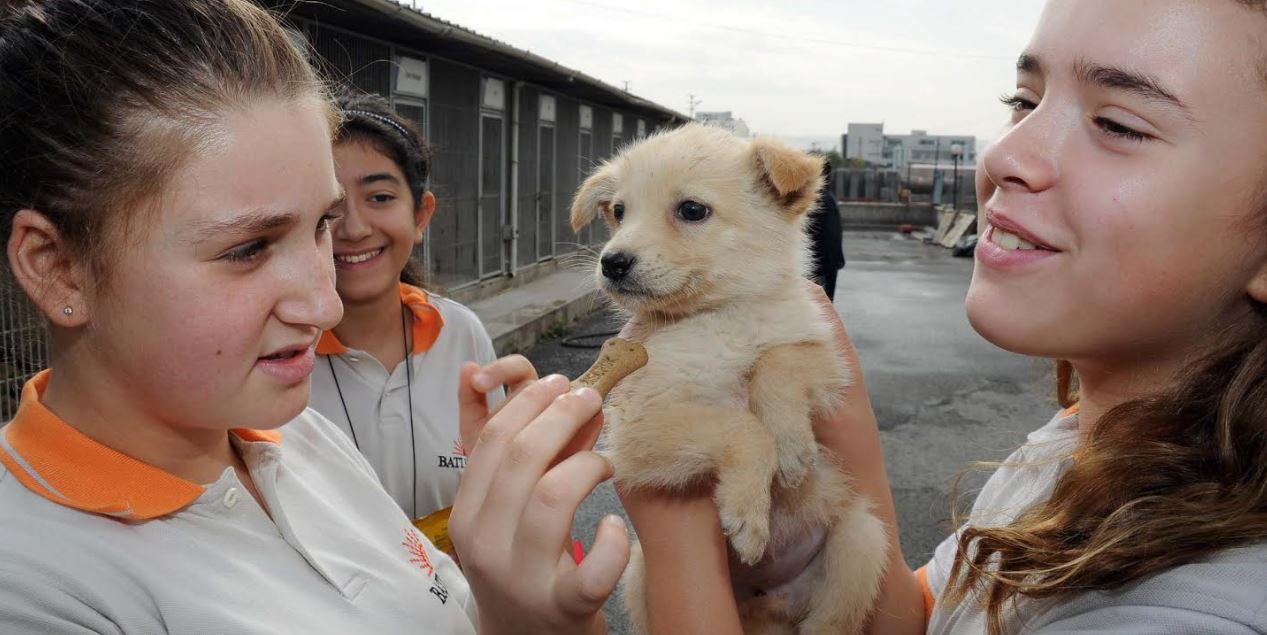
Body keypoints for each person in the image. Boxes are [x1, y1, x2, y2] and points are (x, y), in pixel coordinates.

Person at [623, 1, 1267, 633]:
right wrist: (845, 434)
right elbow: (921, 619)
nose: (1005, 155)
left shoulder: (1184, 614)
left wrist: (671, 520)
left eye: (1119, 125)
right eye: (1022, 100)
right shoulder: (1082, 446)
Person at [0, 2, 627, 633]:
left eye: (320, 225)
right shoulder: (34, 586)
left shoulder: (299, 440)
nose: (326, 305)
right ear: (57, 267)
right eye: (247, 249)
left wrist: (526, 608)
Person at [309, 93, 502, 526]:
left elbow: (498, 487)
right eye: (329, 207)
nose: (354, 228)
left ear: (421, 215)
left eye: (379, 197)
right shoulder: (275, 355)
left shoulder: (461, 333)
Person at [806, 160, 845, 301]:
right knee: (824, 307)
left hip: (821, 267)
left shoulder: (819, 200)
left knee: (820, 310)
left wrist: (815, 269)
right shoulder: (827, 197)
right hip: (828, 265)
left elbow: (823, 238)